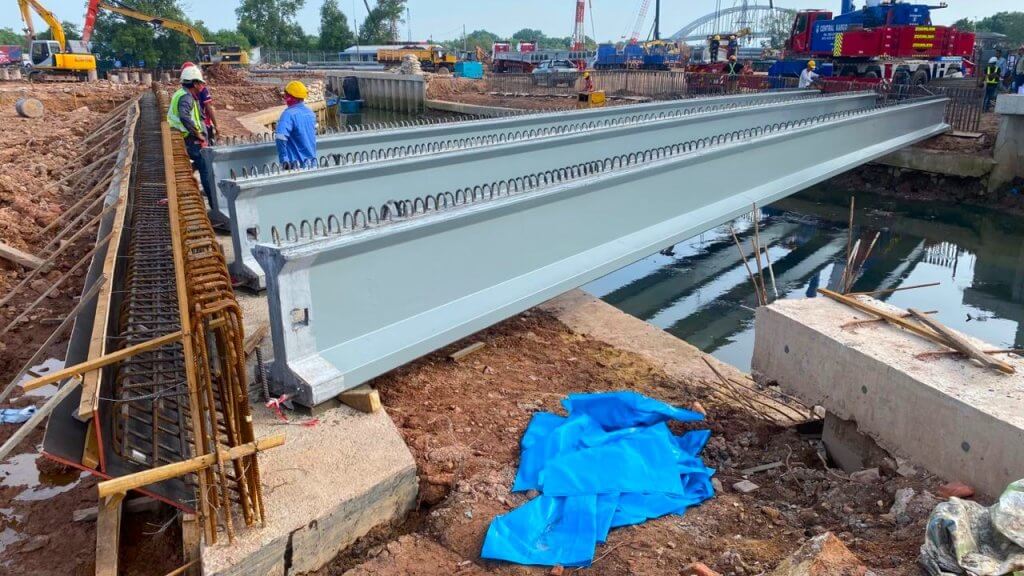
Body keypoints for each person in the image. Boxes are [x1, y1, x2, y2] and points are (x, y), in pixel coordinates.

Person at [167, 66, 215, 205]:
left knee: (200, 167)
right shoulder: (186, 97)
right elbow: (184, 116)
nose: (202, 85)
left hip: (185, 137)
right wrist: (198, 133)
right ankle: (214, 203)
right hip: (190, 139)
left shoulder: (183, 94)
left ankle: (205, 194)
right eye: (200, 83)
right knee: (205, 169)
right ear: (194, 83)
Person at [275, 81, 318, 169]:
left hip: (295, 166)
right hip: (312, 164)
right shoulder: (310, 113)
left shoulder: (288, 114)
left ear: (290, 97)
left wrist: (284, 159)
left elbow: (280, 137)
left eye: (286, 95)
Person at [181, 61, 219, 144]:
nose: (201, 86)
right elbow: (208, 107)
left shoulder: (182, 92)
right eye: (199, 83)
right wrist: (216, 125)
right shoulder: (191, 94)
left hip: (192, 129)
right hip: (199, 128)